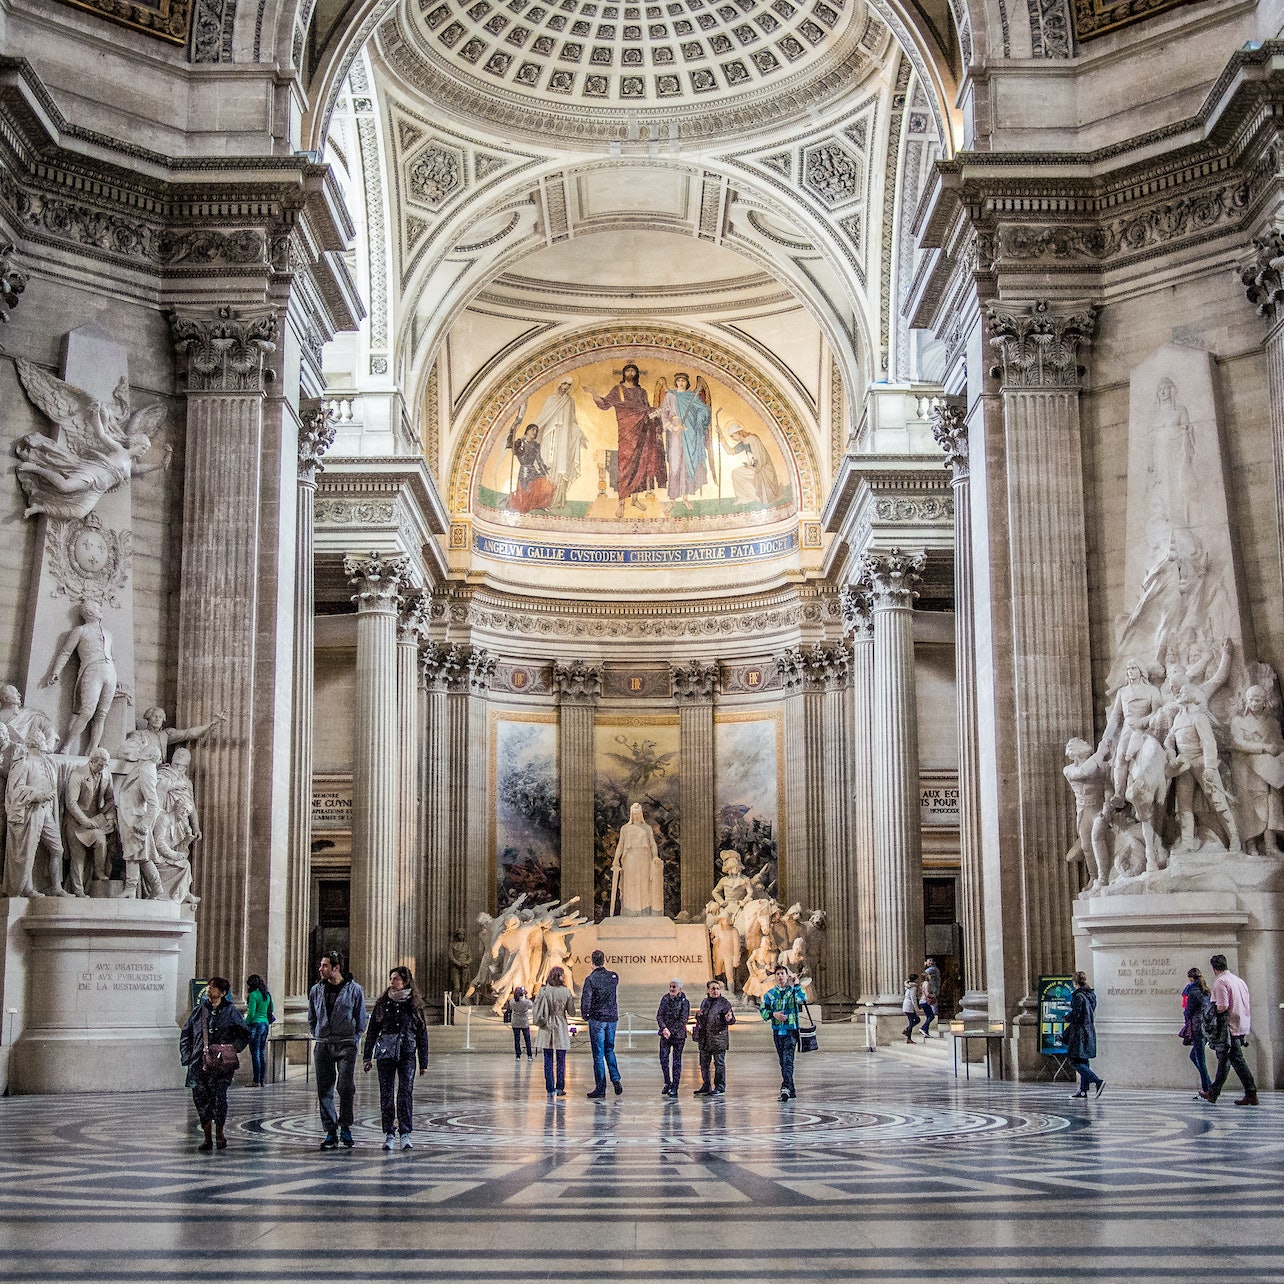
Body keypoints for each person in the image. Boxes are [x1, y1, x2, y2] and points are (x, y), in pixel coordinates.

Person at [178, 976, 249, 1152]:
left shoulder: (231, 1012)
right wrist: (187, 1055)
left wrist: (233, 1049)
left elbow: (244, 1034)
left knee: (219, 1099)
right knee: (201, 1100)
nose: (209, 989)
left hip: (222, 1066)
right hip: (198, 1063)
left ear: (223, 993)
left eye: (214, 987)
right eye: (209, 986)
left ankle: (220, 1134)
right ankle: (207, 1137)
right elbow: (186, 1034)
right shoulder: (198, 1011)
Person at [362, 966, 430, 1150]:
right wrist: (367, 1056)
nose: (392, 982)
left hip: (407, 1052)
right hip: (386, 1053)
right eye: (391, 979)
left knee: (405, 1092)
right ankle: (389, 1132)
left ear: (405, 982)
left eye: (396, 979)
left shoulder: (414, 1005)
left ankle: (405, 1132)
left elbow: (422, 1033)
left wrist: (424, 1061)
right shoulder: (382, 1003)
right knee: (386, 1093)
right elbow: (373, 1030)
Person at [308, 951, 368, 1150]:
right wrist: (318, 1032)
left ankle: (345, 1126)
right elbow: (312, 1017)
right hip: (323, 1043)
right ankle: (330, 1131)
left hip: (346, 1044)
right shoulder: (316, 990)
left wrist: (355, 1037)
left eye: (324, 965)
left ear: (336, 968)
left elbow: (361, 1018)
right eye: (321, 965)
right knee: (324, 1089)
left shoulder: (355, 990)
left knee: (345, 1087)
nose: (320, 969)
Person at [591, 361, 665, 517]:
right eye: (628, 371)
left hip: (642, 433)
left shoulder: (642, 392)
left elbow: (647, 410)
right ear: (624, 374)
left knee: (641, 466)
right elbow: (604, 404)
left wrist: (657, 413)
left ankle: (635, 499)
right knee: (624, 467)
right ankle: (621, 503)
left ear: (636, 374)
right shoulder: (618, 390)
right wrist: (593, 393)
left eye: (633, 371)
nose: (630, 373)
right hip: (626, 434)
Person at [1201, 953, 1258, 1105]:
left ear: (1213, 968)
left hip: (1229, 1027)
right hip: (1241, 1024)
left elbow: (1222, 1006)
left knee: (1236, 1060)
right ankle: (1213, 1093)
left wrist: (1210, 1015)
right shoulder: (1239, 981)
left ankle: (1251, 1092)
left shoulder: (1221, 982)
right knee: (1225, 1060)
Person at [63, 747, 115, 894]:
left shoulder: (106, 774)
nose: (102, 768)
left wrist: (110, 817)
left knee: (101, 841)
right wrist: (84, 820)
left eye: (105, 765)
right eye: (100, 765)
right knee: (78, 856)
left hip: (95, 820)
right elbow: (71, 802)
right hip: (76, 821)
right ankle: (78, 890)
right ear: (91, 761)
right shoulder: (78, 774)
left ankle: (99, 872)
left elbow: (110, 799)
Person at [759, 965, 806, 1100]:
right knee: (782, 1061)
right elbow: (763, 1011)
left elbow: (803, 999)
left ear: (787, 976)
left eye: (782, 974)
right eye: (778, 974)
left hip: (791, 1030)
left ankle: (785, 1088)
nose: (780, 976)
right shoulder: (769, 994)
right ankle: (791, 1089)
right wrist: (774, 1014)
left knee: (787, 1059)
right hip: (777, 1031)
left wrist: (797, 985)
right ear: (775, 977)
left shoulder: (793, 991)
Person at [580, 949, 622, 1098]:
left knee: (598, 1054)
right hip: (611, 1018)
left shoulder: (591, 979)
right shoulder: (613, 977)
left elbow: (587, 1000)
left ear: (592, 961)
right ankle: (615, 1078)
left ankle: (601, 1087)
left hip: (598, 1019)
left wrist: (586, 1015)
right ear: (604, 960)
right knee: (609, 1049)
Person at [613, 802, 664, 915]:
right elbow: (620, 846)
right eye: (634, 814)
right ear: (631, 815)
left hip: (644, 858)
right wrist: (616, 860)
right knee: (631, 884)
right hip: (630, 859)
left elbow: (652, 845)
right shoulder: (625, 828)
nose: (636, 816)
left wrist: (655, 856)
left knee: (644, 884)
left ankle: (644, 910)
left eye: (638, 814)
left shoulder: (647, 828)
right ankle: (630, 911)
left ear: (641, 814)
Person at [532, 965, 575, 1098]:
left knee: (548, 1059)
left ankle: (550, 1088)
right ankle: (560, 1087)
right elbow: (572, 1012)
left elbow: (536, 1006)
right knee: (561, 1059)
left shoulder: (543, 990)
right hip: (560, 1024)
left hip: (546, 1025)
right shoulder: (566, 992)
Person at [693, 978, 736, 1096]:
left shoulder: (724, 1003)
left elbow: (732, 1020)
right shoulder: (704, 1002)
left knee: (719, 1064)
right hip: (705, 1039)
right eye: (713, 988)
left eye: (717, 989)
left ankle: (720, 1086)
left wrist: (729, 1019)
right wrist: (698, 1016)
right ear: (708, 990)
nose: (715, 991)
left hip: (718, 1039)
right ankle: (706, 1085)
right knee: (704, 1064)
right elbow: (702, 1020)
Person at [1066, 970, 1105, 1098]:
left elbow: (1076, 1015)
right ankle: (1083, 1090)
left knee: (1074, 1060)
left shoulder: (1078, 996)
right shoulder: (1091, 995)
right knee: (1083, 1059)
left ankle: (1096, 1081)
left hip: (1079, 1032)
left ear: (1075, 982)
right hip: (1089, 1030)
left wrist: (1066, 1017)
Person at [504, 421, 556, 513]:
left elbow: (539, 460)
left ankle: (540, 504)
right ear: (527, 431)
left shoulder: (535, 445)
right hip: (524, 472)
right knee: (525, 494)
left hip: (533, 471)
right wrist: (512, 431)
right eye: (533, 430)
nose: (535, 432)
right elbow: (510, 445)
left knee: (549, 485)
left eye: (536, 430)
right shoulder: (520, 442)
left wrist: (546, 474)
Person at [1181, 966, 1213, 1097]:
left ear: (1190, 978)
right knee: (1194, 1056)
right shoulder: (1207, 991)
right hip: (1206, 1027)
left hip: (1197, 1027)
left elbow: (1188, 1011)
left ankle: (1208, 1088)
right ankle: (1209, 1085)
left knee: (1200, 1058)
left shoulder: (1192, 992)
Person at [656, 979, 690, 1098]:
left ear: (679, 989)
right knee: (663, 1059)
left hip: (678, 1036)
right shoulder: (665, 999)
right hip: (665, 1034)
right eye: (670, 986)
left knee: (676, 1062)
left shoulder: (685, 1002)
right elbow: (659, 1015)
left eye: (674, 987)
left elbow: (683, 1019)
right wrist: (664, 1028)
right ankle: (667, 1081)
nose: (671, 989)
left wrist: (672, 1031)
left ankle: (675, 1087)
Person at [244, 973, 273, 1088]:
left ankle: (256, 1080)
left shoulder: (253, 995)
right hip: (265, 1024)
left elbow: (251, 1013)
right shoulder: (267, 995)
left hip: (255, 1024)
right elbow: (272, 1009)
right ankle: (262, 1080)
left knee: (255, 1052)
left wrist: (245, 1024)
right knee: (261, 1052)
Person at [508, 985, 534, 1060]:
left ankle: (518, 1055)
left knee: (517, 1039)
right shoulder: (525, 1002)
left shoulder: (512, 1001)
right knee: (527, 1039)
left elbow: (511, 1005)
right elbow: (531, 1005)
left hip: (515, 1022)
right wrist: (526, 996)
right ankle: (529, 1055)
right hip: (524, 1022)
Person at [901, 973, 921, 1044]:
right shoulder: (913, 987)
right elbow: (913, 999)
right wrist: (917, 1009)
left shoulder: (907, 986)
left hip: (906, 1004)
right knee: (914, 1021)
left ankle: (907, 1031)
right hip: (910, 1006)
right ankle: (908, 1037)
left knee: (914, 1021)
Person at [918, 972, 938, 1040]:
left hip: (922, 1001)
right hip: (925, 1001)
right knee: (931, 1016)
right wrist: (933, 995)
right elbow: (927, 993)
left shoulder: (923, 983)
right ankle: (923, 1028)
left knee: (928, 1016)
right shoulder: (926, 983)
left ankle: (926, 1031)